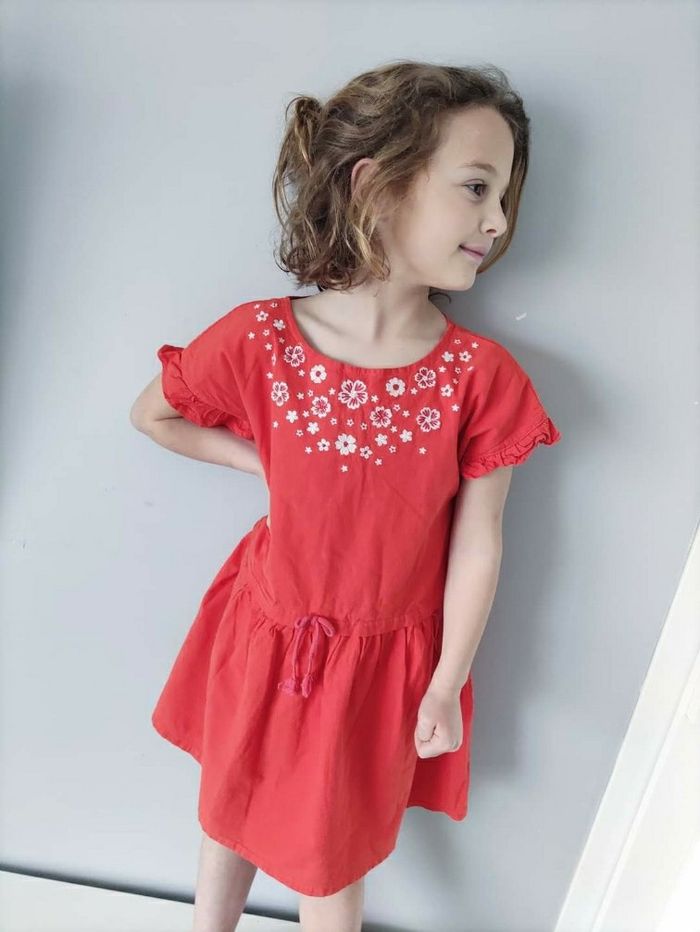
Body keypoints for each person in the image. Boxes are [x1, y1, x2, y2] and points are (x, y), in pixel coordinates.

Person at [130, 60, 562, 932]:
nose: (498, 220)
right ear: (375, 184)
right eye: (476, 187)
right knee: (229, 802)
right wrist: (269, 466)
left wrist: (445, 684)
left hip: (376, 666)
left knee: (330, 854)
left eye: (504, 196)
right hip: (264, 624)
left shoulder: (480, 380)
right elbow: (156, 415)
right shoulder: (260, 339)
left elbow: (479, 542)